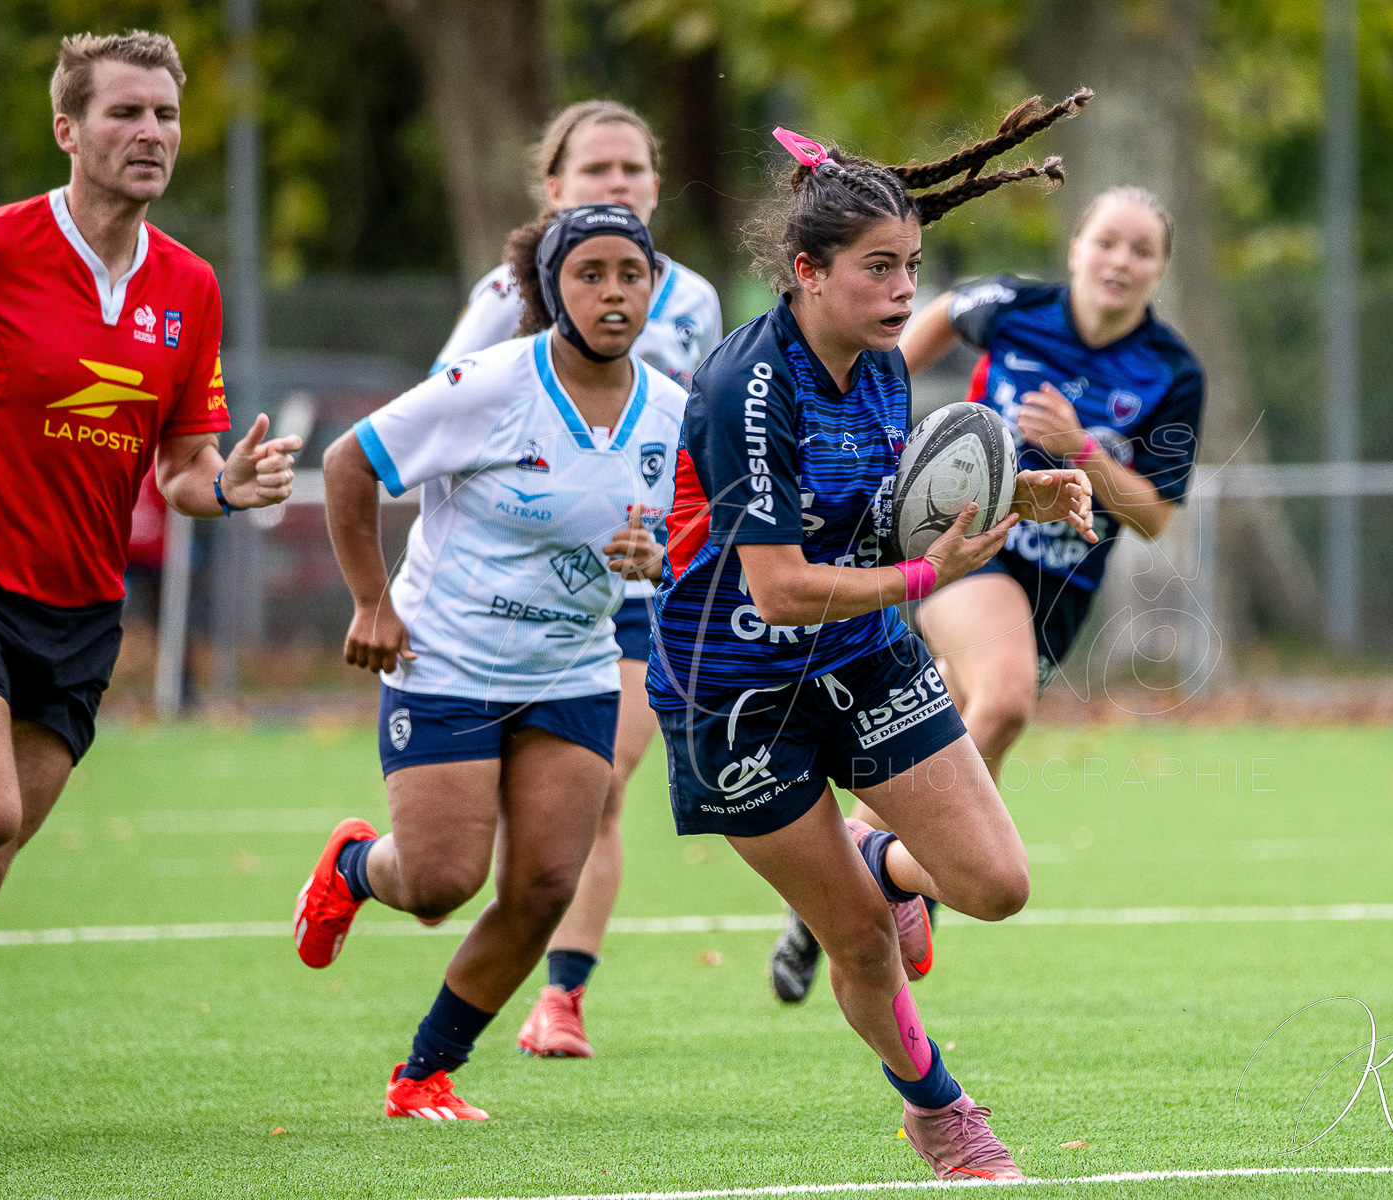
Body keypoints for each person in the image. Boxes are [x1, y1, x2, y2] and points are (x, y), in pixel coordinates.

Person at [649, 93, 1093, 1179]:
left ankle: (880, 859)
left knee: (994, 886)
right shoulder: (746, 385)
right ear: (807, 273)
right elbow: (783, 585)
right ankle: (942, 1113)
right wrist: (927, 577)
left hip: (859, 653)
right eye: (878, 270)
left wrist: (1018, 495)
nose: (905, 293)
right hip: (736, 687)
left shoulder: (886, 364)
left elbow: (885, 498)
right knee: (854, 939)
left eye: (911, 266)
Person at [0, 30, 301, 984]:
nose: (151, 132)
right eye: (124, 112)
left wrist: (227, 486)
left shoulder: (190, 286)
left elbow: (182, 469)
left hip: (82, 615)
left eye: (165, 115)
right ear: (68, 128)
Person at [294, 203, 685, 1121]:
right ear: (553, 289)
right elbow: (351, 464)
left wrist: (659, 558)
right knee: (437, 885)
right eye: (589, 274)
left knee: (547, 883)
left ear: (653, 285)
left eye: (630, 273)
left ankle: (425, 1070)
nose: (612, 292)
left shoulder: (676, 409)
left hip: (573, 668)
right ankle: (356, 867)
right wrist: (371, 602)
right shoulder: (490, 384)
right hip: (447, 661)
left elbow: (700, 538)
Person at [768, 185, 1206, 1003]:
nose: (1121, 261)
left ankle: (863, 870)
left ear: (1159, 271)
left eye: (1142, 250)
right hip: (966, 548)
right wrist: (873, 427)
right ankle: (901, 878)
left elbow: (1152, 516)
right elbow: (897, 351)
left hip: (1063, 582)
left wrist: (1083, 451)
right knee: (1002, 705)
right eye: (1108, 241)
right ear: (1076, 247)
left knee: (964, 733)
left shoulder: (1172, 371)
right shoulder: (1009, 304)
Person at [432, 100, 723, 1058]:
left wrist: (682, 538)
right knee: (450, 866)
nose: (618, 184)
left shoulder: (693, 298)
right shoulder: (503, 294)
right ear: (552, 189)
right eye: (596, 170)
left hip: (645, 591)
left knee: (605, 781)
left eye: (634, 169)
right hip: (509, 603)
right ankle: (372, 870)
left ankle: (563, 995)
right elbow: (439, 420)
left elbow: (701, 445)